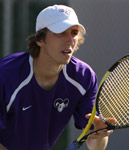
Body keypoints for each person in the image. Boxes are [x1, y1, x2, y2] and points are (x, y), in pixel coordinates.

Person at [0, 4, 113, 150]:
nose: (69, 40)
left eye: (73, 33)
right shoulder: (6, 74)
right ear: (40, 39)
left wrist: (100, 135)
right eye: (60, 33)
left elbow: (95, 144)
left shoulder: (83, 77)